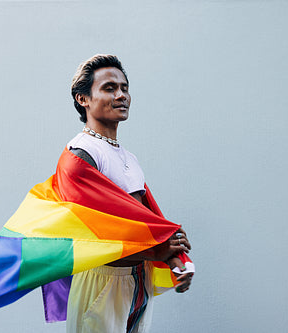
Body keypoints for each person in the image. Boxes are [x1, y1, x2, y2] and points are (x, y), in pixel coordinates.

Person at [65, 54, 193, 333]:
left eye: (124, 88)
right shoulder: (82, 155)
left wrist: (172, 255)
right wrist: (156, 250)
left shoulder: (128, 157)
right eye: (109, 88)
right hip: (103, 281)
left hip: (138, 278)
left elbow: (145, 220)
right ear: (82, 99)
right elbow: (91, 237)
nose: (121, 95)